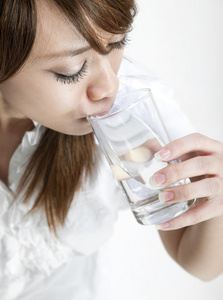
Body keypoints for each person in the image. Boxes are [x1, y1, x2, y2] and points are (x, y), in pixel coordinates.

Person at [0, 0, 223, 299]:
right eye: (72, 70)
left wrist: (217, 200)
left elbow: (199, 264)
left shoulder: (135, 112)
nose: (110, 85)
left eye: (119, 42)